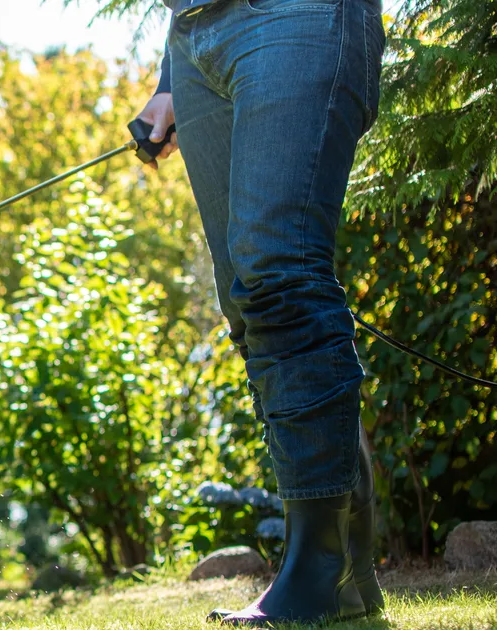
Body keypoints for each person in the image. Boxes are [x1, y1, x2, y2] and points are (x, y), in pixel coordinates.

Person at [134, 0, 386, 625]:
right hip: (193, 37)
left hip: (296, 15)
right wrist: (170, 78)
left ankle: (318, 571)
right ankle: (344, 569)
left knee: (279, 275)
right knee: (250, 304)